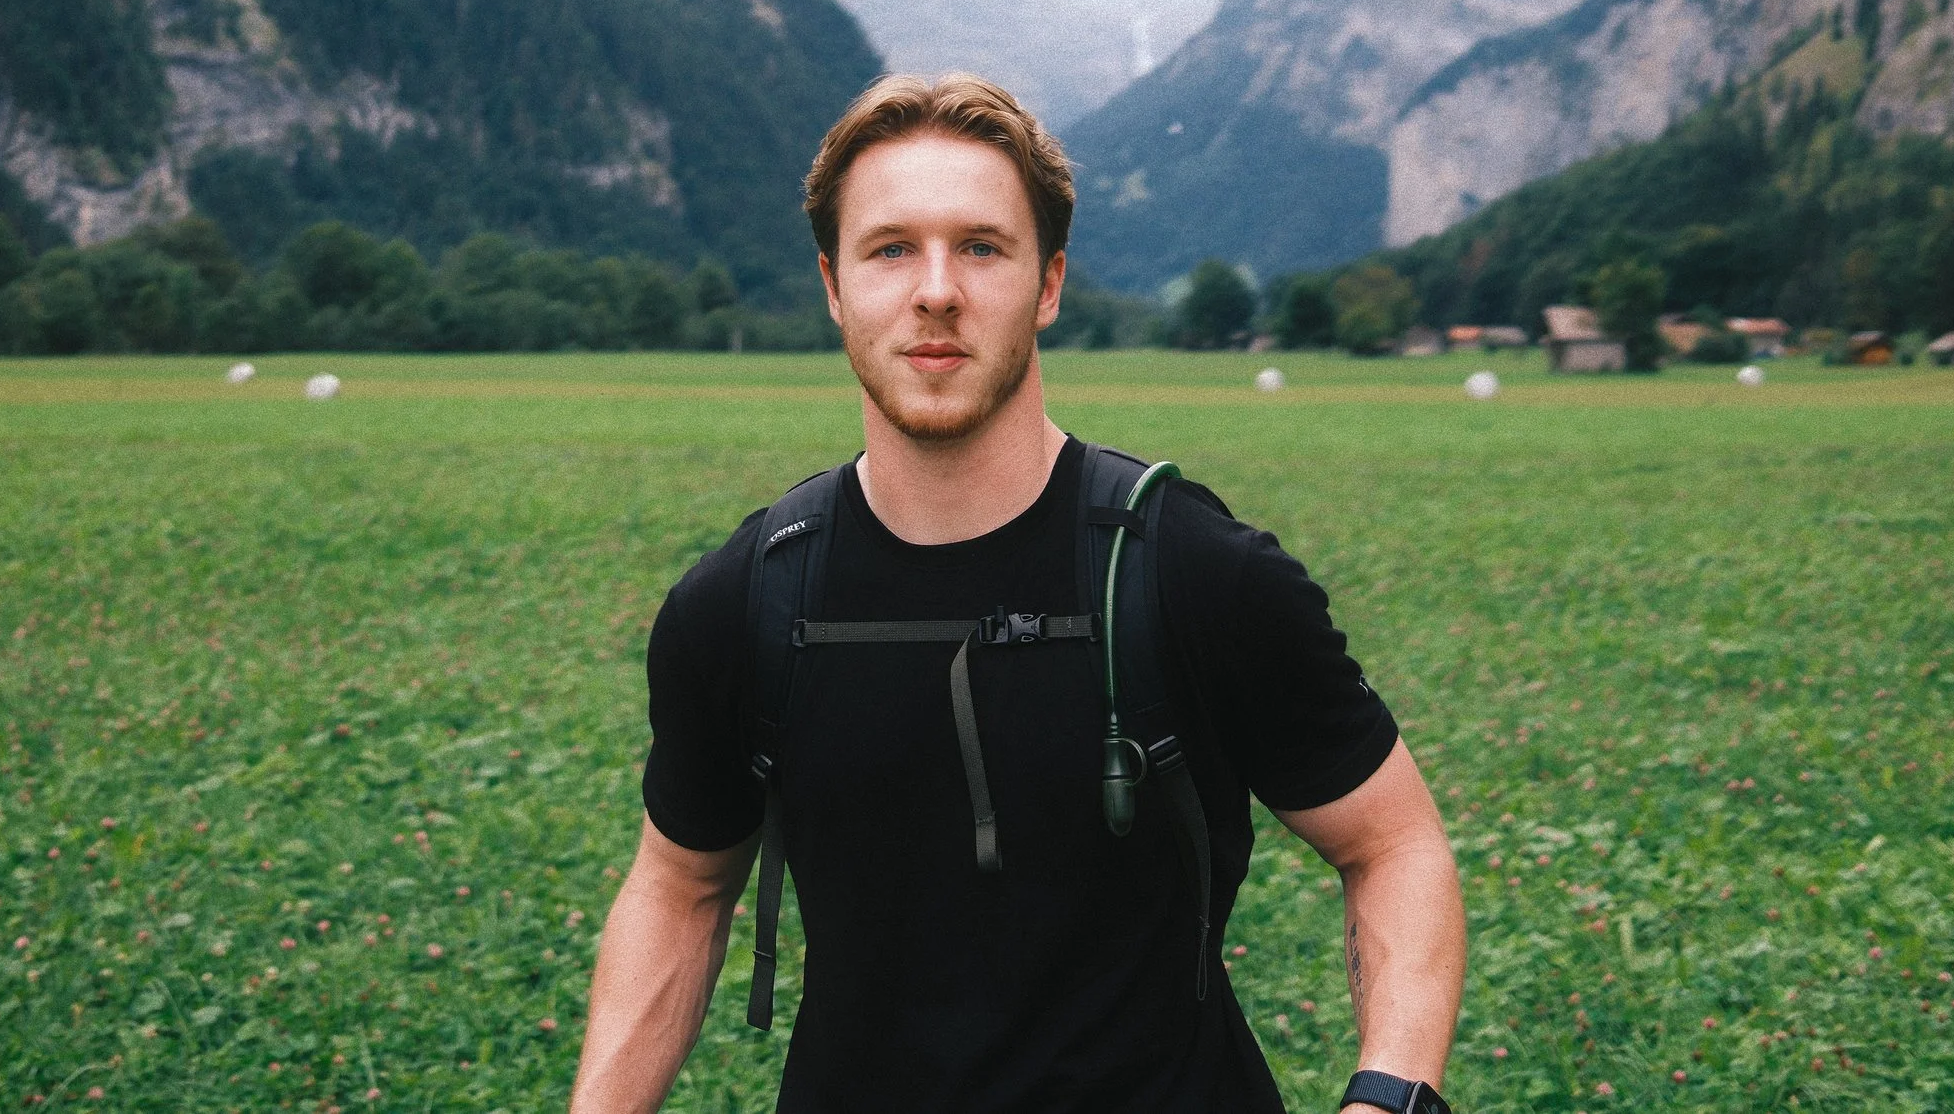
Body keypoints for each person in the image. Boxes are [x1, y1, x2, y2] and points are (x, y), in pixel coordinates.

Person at [573, 74, 1465, 1113]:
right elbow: (679, 889)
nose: (936, 289)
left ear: (1047, 284)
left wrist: (1386, 1098)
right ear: (833, 284)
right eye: (891, 247)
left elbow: (1392, 842)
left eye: (982, 246)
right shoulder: (743, 601)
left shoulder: (1193, 570)